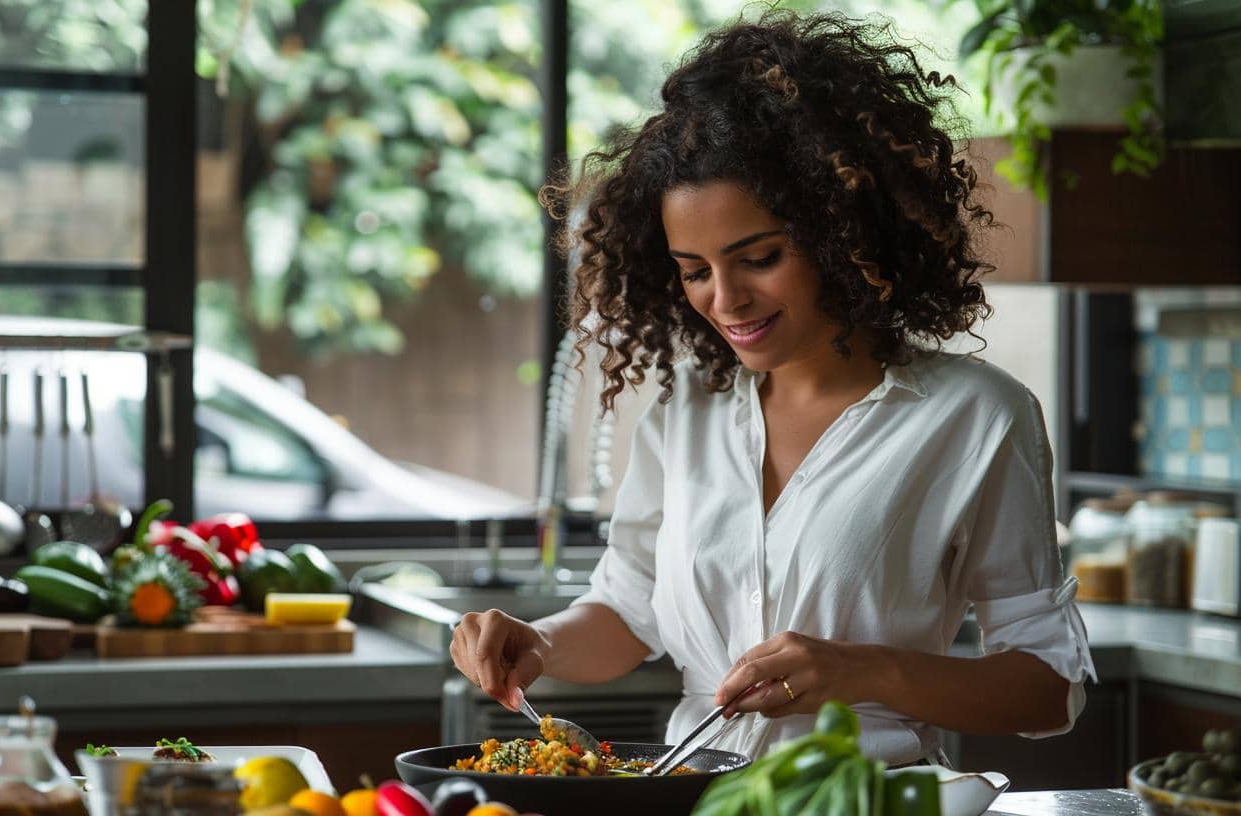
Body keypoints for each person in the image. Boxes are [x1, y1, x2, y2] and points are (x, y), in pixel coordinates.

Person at [450, 9, 1095, 765]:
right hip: (696, 796)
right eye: (694, 271)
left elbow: (1050, 685)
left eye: (757, 258)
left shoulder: (979, 417)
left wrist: (865, 670)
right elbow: (628, 612)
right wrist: (540, 643)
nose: (725, 299)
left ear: (841, 231)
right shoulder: (687, 411)